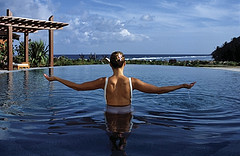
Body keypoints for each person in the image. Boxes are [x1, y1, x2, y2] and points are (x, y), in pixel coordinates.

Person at [44, 51, 196, 107]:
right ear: (125, 63)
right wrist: (183, 85)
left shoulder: (103, 81)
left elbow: (77, 87)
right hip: (126, 117)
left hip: (109, 117)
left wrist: (56, 78)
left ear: (110, 64)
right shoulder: (133, 82)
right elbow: (158, 90)